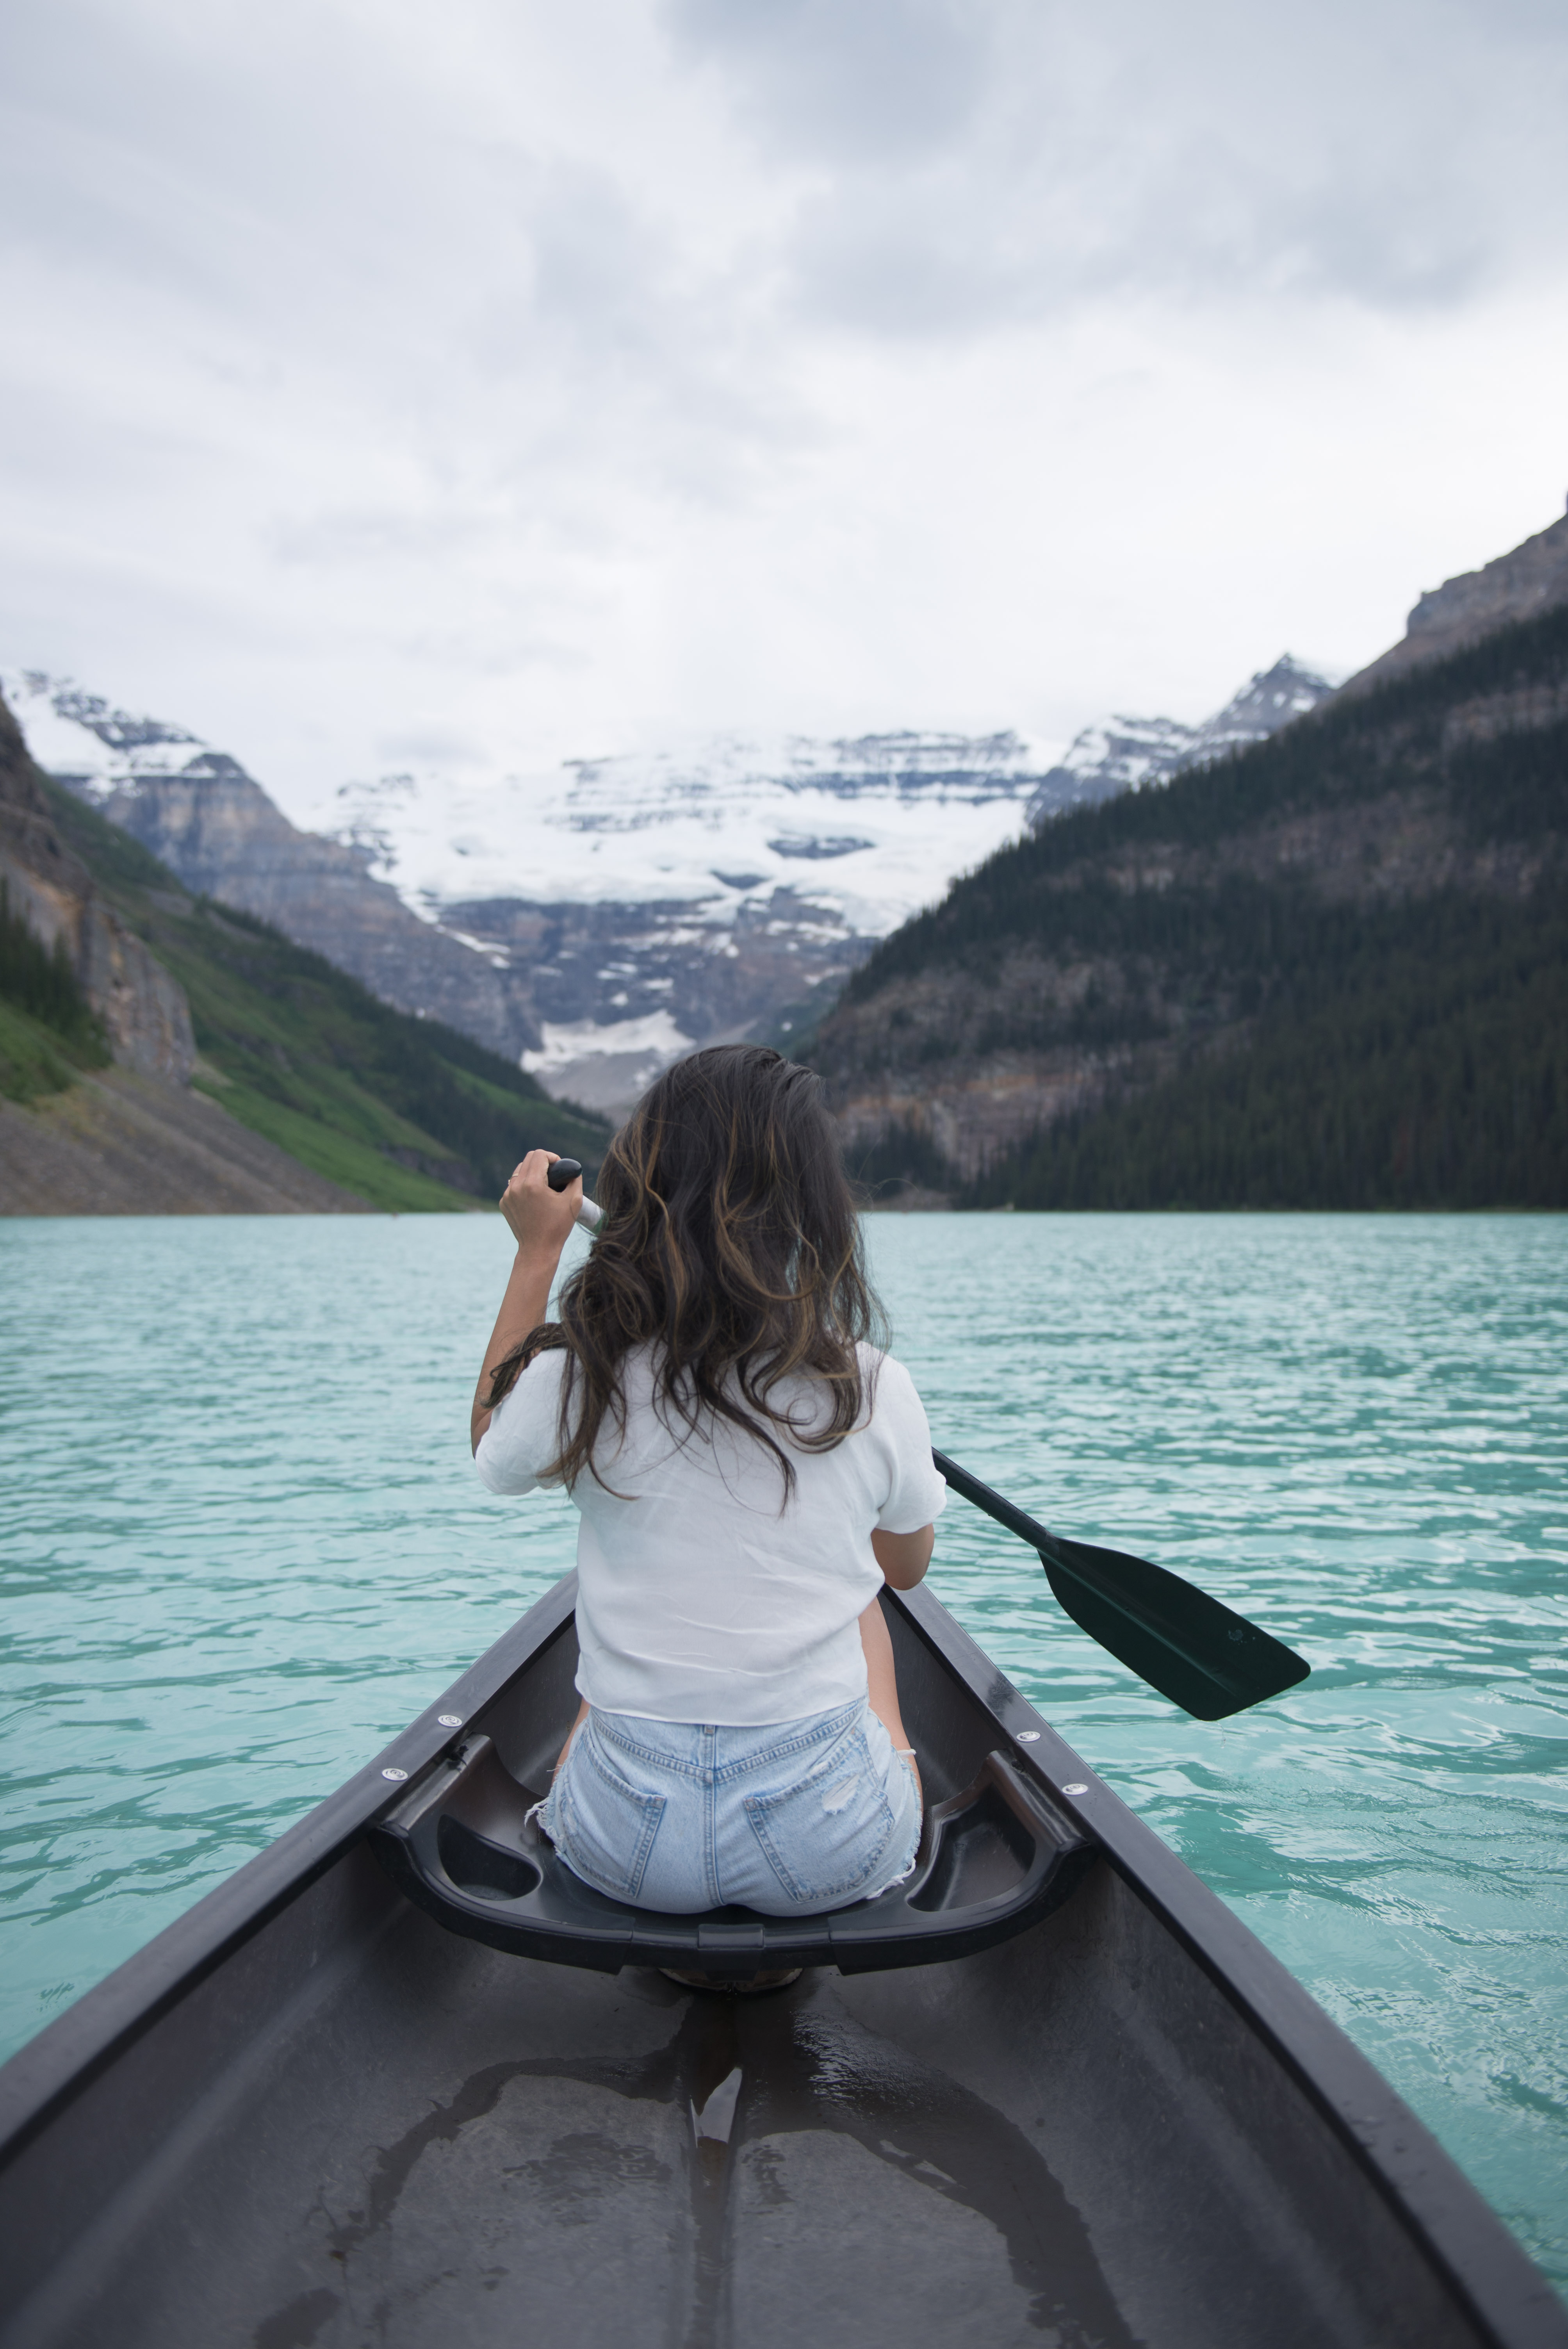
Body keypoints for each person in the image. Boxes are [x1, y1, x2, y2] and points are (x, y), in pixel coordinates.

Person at [470, 1045, 944, 1969]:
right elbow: (905, 1569)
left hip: (623, 1850)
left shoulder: (584, 1371)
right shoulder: (872, 1382)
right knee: (862, 1601)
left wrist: (538, 1253)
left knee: (607, 1619)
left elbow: (494, 1455)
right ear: (811, 1207)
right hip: (825, 1849)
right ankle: (888, 1785)